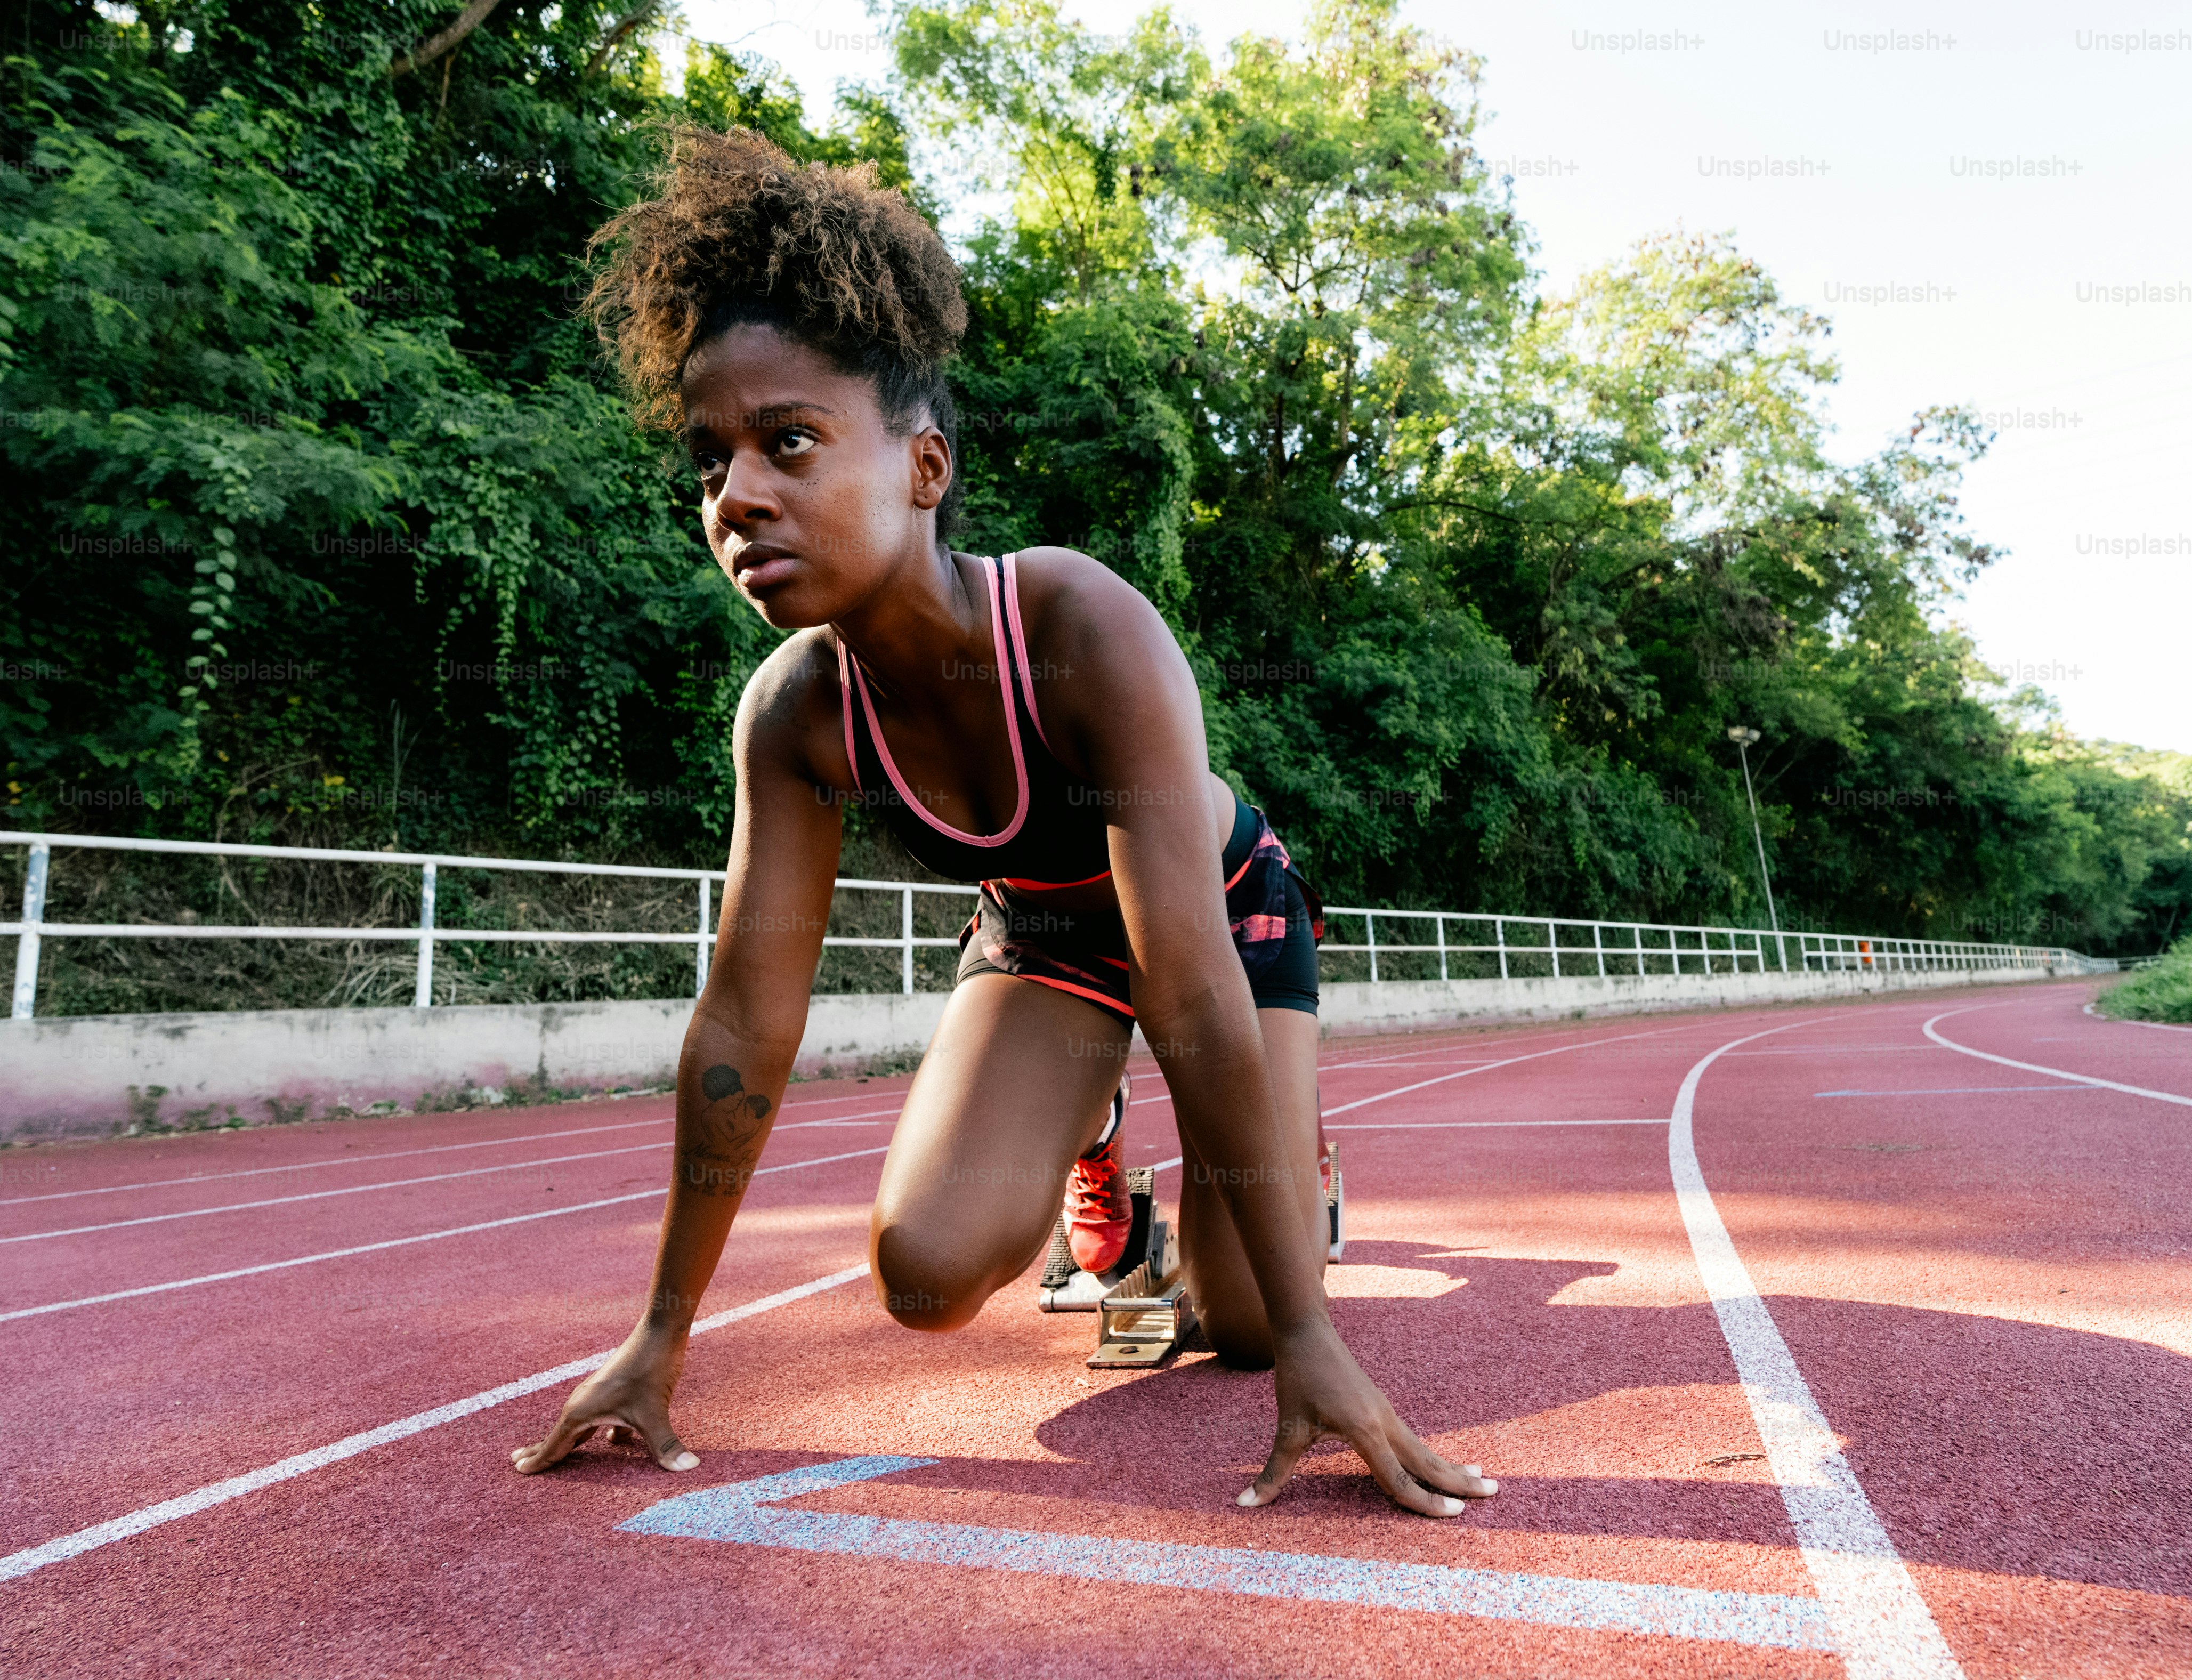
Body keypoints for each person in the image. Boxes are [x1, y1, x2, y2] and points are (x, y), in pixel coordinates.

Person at [510, 126, 1495, 1518]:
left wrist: (1318, 1351)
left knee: (1250, 1329)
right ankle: (1094, 1134)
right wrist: (660, 1336)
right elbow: (743, 1026)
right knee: (922, 1276)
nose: (736, 495)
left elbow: (1192, 990)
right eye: (711, 458)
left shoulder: (1084, 626)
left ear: (923, 467)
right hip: (1041, 936)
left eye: (788, 442)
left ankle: (1292, 1168)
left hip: (1223, 925)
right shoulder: (796, 715)